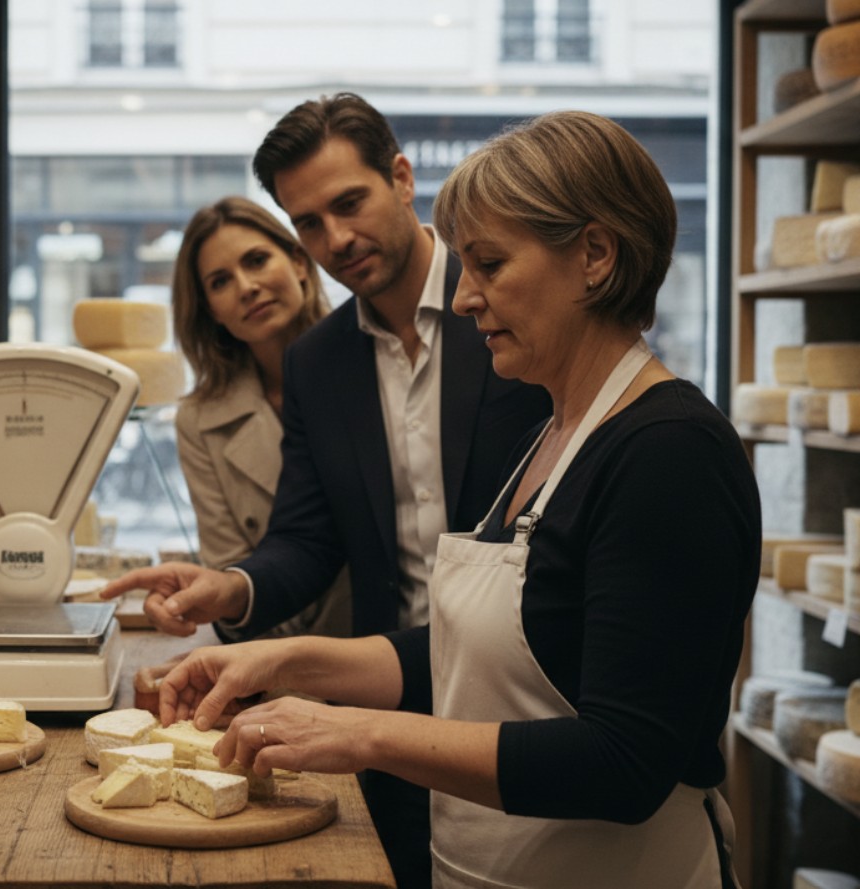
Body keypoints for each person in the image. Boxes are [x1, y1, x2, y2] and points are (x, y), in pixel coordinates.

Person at [153, 110, 761, 889]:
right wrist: (281, 658)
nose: (466, 298)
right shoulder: (555, 430)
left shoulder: (670, 452)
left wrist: (358, 731)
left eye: (491, 264)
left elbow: (624, 760)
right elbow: (472, 650)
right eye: (465, 266)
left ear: (595, 256)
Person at [104, 92, 551, 888]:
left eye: (350, 203)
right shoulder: (320, 360)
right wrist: (231, 586)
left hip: (528, 693)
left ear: (403, 178)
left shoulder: (505, 309)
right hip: (384, 701)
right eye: (308, 222)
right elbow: (308, 541)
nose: (335, 240)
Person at [171, 196, 350, 639]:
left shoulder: (370, 364)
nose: (246, 286)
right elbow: (228, 569)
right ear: (211, 309)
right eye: (220, 281)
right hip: (273, 665)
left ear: (299, 263)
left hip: (392, 653)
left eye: (256, 260)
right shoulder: (200, 420)